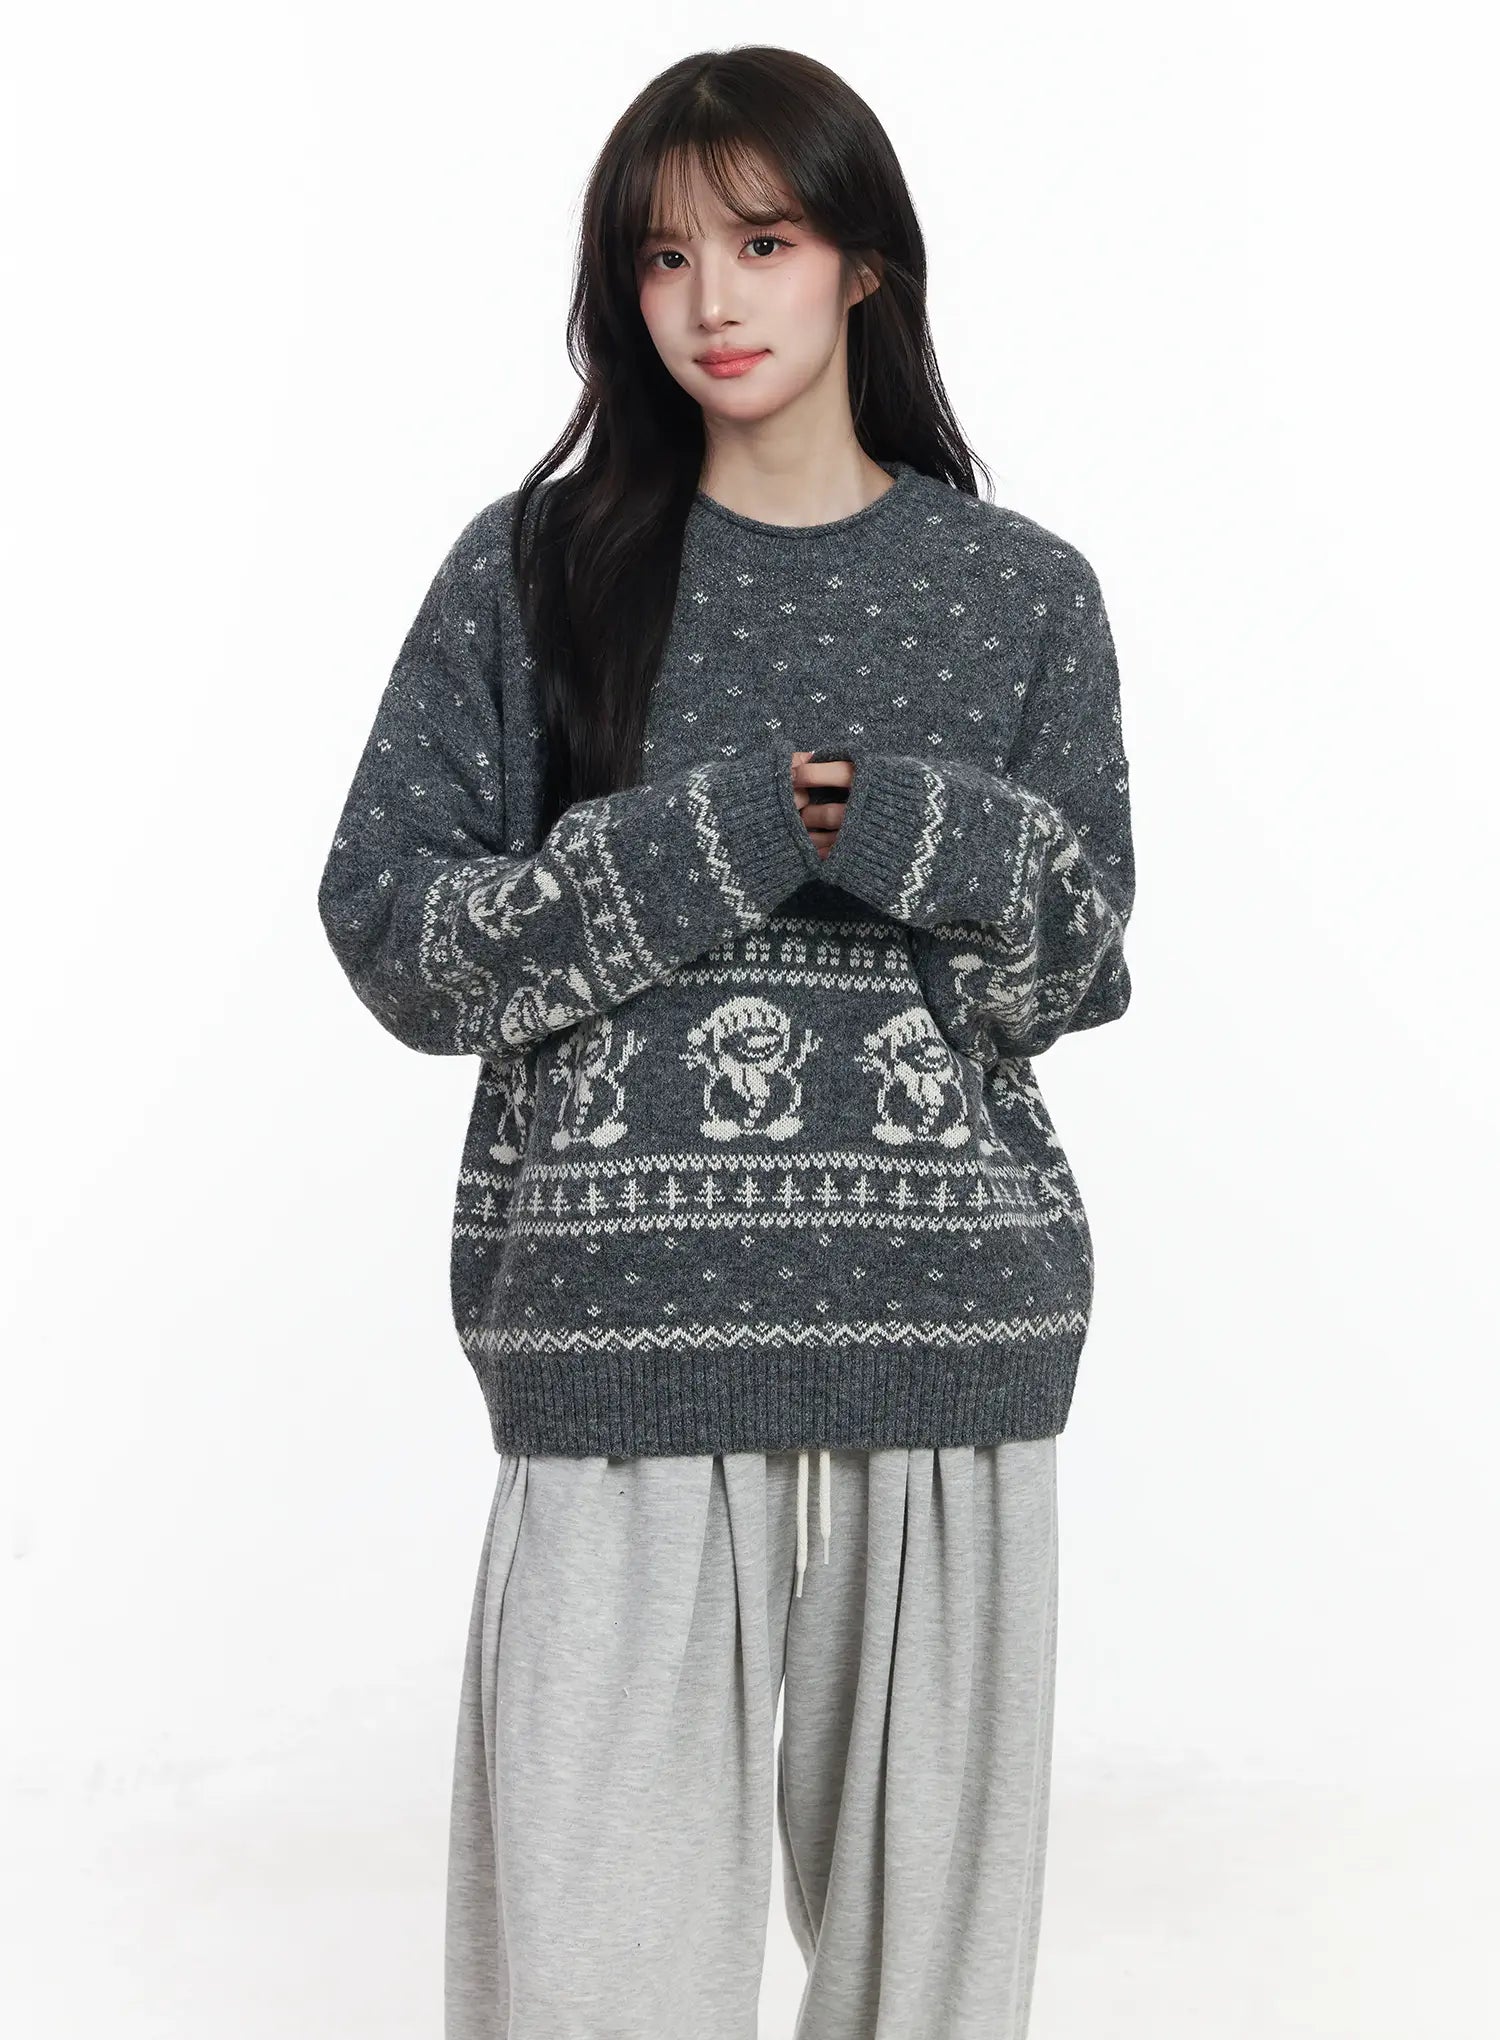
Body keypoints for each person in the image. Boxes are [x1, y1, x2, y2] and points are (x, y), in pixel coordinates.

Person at [315, 44, 1136, 2040]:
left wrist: (904, 829)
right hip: (618, 1352)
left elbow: (1077, 968)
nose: (712, 300)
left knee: (931, 1997)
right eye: (666, 256)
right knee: (592, 1988)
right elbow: (395, 934)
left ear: (863, 259)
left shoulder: (1018, 593)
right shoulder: (535, 573)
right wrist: (715, 842)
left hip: (947, 1346)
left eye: (761, 242)